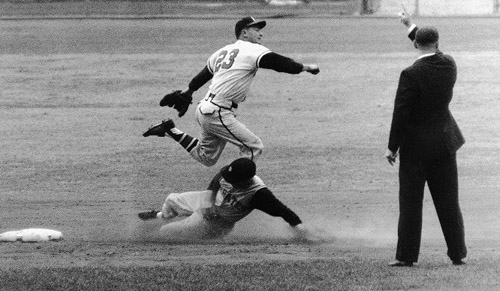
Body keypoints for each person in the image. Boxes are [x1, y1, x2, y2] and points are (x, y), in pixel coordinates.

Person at [143, 16, 320, 167]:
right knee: (253, 147)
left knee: (206, 158)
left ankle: (170, 130)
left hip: (205, 109)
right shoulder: (252, 49)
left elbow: (203, 76)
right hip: (218, 112)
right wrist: (306, 67)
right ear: (244, 32)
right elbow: (281, 64)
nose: (261, 33)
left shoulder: (223, 51)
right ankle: (232, 190)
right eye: (256, 29)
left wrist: (188, 92)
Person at [384, 10, 467, 266]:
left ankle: (407, 256)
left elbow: (401, 113)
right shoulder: (449, 63)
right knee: (449, 202)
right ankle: (457, 254)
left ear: (416, 45)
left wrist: (392, 147)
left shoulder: (410, 74)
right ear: (438, 43)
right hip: (445, 143)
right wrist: (411, 26)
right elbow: (430, 47)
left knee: (410, 204)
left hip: (417, 148)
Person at [138, 158, 307, 240]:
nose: (228, 180)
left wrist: (300, 229)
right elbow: (216, 180)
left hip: (217, 224)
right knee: (172, 199)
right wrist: (209, 202)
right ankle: (161, 216)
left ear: (246, 180)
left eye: (234, 181)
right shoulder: (230, 172)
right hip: (210, 202)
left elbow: (283, 211)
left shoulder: (259, 194)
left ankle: (152, 233)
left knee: (165, 233)